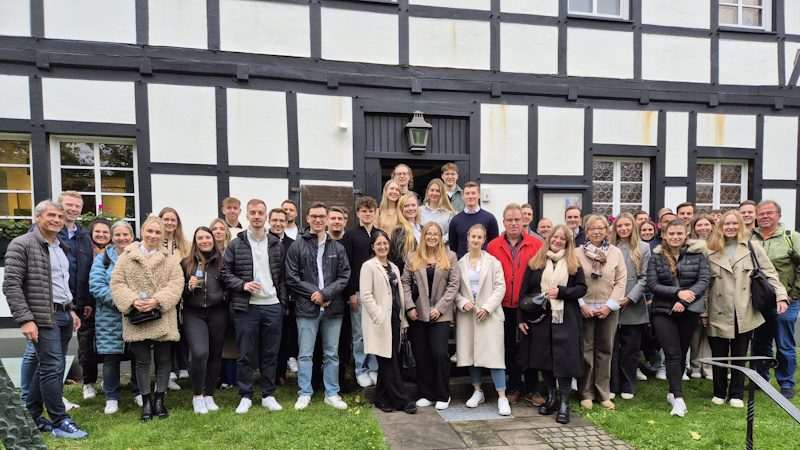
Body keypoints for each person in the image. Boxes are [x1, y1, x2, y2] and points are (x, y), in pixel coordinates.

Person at [3, 200, 88, 438]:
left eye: (60, 217)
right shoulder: (21, 244)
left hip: (63, 313)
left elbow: (60, 285)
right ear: (37, 217)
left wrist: (71, 309)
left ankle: (32, 416)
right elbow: (11, 285)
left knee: (48, 367)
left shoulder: (60, 246)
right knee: (53, 367)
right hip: (41, 316)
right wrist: (25, 320)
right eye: (51, 215)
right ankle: (60, 420)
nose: (57, 220)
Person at [705, 210, 788, 407]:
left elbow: (770, 274)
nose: (731, 227)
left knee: (740, 354)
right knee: (719, 354)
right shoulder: (709, 250)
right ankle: (719, 392)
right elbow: (704, 284)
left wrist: (781, 296)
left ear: (740, 225)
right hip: (717, 309)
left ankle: (736, 394)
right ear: (721, 226)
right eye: (727, 224)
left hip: (743, 309)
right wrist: (703, 311)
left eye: (734, 223)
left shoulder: (753, 247)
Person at [110, 215, 184, 421]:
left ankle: (160, 399)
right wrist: (133, 300)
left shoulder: (169, 259)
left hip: (162, 315)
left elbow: (176, 284)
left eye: (158, 232)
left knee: (163, 360)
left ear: (163, 235)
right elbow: (117, 283)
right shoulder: (126, 256)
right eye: (150, 231)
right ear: (142, 232)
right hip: (137, 316)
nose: (153, 235)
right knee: (142, 361)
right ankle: (146, 402)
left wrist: (157, 300)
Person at [222, 199, 288, 413]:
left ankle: (268, 395)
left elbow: (283, 277)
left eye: (260, 212)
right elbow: (225, 273)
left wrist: (282, 304)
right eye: (253, 212)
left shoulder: (276, 243)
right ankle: (246, 396)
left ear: (266, 216)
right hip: (246, 306)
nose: (257, 216)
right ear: (247, 215)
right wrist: (242, 285)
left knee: (270, 354)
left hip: (272, 305)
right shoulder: (236, 243)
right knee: (245, 354)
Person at [518, 225, 588, 425]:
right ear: (548, 239)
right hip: (540, 319)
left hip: (565, 318)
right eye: (554, 237)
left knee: (564, 361)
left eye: (562, 238)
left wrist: (562, 292)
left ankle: (564, 402)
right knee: (545, 360)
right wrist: (521, 319)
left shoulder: (574, 263)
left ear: (568, 242)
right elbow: (523, 293)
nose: (557, 241)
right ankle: (551, 398)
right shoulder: (536, 262)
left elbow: (582, 289)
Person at [285, 202, 351, 410]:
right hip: (306, 307)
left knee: (332, 353)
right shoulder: (297, 246)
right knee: (305, 354)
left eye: (322, 216)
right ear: (308, 219)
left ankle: (332, 393)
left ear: (327, 219)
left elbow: (344, 276)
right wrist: (315, 294)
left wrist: (325, 294)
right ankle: (304, 393)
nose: (318, 220)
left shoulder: (337, 247)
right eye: (314, 216)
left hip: (333, 308)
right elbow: (291, 277)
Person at [647, 219, 710, 417]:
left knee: (682, 352)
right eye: (671, 234)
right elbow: (652, 284)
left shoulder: (697, 255)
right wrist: (677, 293)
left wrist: (684, 300)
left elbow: (703, 280)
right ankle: (679, 398)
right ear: (665, 235)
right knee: (672, 353)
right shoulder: (656, 257)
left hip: (689, 310)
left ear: (686, 235)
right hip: (663, 310)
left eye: (679, 233)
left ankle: (673, 390)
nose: (675, 237)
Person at [486, 204, 543, 405]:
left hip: (528, 306)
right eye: (509, 220)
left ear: (523, 221)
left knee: (530, 347)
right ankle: (514, 387)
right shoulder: (493, 246)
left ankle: (532, 388)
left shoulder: (536, 244)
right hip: (503, 306)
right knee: (509, 348)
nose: (513, 223)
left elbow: (540, 276)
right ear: (503, 222)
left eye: (517, 220)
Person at [402, 222, 460, 410]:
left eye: (436, 234)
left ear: (440, 237)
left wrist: (440, 308)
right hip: (418, 313)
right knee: (422, 354)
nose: (432, 237)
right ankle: (426, 393)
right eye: (429, 234)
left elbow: (454, 285)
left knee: (440, 353)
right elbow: (405, 283)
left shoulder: (450, 256)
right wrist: (409, 307)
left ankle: (443, 394)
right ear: (423, 236)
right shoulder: (412, 257)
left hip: (441, 314)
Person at [359, 230, 417, 414]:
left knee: (391, 360)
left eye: (385, 243)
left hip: (395, 319)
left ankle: (381, 398)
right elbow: (366, 295)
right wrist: (379, 315)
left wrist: (403, 320)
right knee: (388, 360)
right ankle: (402, 400)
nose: (382, 247)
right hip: (379, 321)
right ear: (372, 247)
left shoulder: (393, 267)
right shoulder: (368, 266)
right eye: (379, 244)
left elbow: (399, 296)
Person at [455, 225, 510, 416]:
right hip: (468, 316)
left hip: (490, 315)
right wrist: (462, 302)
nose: (476, 240)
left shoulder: (493, 262)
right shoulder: (459, 263)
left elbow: (500, 287)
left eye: (480, 237)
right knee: (471, 355)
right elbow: (454, 289)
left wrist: (487, 307)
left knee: (495, 356)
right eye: (473, 236)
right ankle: (477, 391)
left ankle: (502, 397)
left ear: (484, 240)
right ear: (468, 238)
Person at [89, 220, 141, 415]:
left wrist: (137, 302)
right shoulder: (102, 259)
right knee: (111, 358)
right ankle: (111, 397)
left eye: (125, 234)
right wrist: (124, 301)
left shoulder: (139, 256)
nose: (121, 238)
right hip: (109, 317)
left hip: (136, 314)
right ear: (112, 237)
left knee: (138, 355)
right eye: (117, 235)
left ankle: (139, 392)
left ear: (132, 236)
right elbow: (97, 286)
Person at [576, 215, 627, 410]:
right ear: (586, 232)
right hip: (585, 308)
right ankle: (586, 393)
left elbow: (621, 280)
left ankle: (603, 393)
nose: (596, 231)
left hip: (608, 308)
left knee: (605, 350)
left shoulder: (615, 252)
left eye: (600, 228)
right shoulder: (577, 253)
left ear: (607, 231)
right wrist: (582, 305)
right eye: (592, 228)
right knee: (586, 351)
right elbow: (571, 280)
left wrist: (609, 306)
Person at [750, 199, 800, 399]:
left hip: (785, 300)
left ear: (779, 215)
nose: (764, 216)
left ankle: (786, 382)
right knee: (760, 342)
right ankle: (760, 379)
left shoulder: (791, 237)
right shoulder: (749, 237)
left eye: (769, 213)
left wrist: (793, 294)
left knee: (784, 343)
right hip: (759, 301)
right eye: (761, 213)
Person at [182, 227, 229, 414]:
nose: (204, 241)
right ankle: (197, 396)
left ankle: (209, 394)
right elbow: (178, 292)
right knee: (200, 353)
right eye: (200, 238)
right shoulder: (186, 263)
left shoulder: (223, 262)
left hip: (218, 312)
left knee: (215, 355)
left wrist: (222, 296)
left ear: (213, 240)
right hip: (194, 314)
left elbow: (229, 285)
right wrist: (188, 288)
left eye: (207, 237)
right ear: (195, 242)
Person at [609, 213, 651, 400]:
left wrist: (629, 298)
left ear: (633, 226)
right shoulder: (609, 247)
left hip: (633, 305)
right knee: (611, 347)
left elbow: (645, 278)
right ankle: (612, 384)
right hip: (611, 303)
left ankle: (628, 384)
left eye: (627, 225)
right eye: (619, 226)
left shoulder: (643, 247)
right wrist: (613, 300)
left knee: (630, 349)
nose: (623, 229)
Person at [341, 196, 382, 388]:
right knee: (359, 333)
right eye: (364, 211)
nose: (367, 214)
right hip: (358, 292)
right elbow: (346, 266)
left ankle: (374, 367)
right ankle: (360, 369)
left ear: (375, 213)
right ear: (357, 213)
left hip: (377, 292)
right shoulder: (350, 236)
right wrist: (350, 292)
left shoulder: (380, 235)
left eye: (370, 211)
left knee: (375, 331)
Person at [79, 218, 111, 398]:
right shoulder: (84, 251)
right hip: (88, 305)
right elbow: (81, 278)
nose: (101, 235)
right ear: (91, 233)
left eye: (105, 232)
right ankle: (88, 382)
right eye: (98, 231)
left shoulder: (114, 251)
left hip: (108, 306)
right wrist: (84, 302)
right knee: (87, 345)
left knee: (109, 344)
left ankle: (108, 378)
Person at [159, 207, 190, 387]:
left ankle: (182, 366)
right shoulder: (155, 242)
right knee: (166, 331)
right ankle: (169, 370)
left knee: (181, 328)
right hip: (162, 293)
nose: (170, 223)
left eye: (173, 220)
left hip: (182, 293)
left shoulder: (185, 245)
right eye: (166, 219)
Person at [269, 208, 298, 383]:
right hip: (269, 296)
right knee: (269, 339)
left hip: (289, 297)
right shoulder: (263, 241)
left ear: (287, 222)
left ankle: (280, 374)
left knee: (285, 337)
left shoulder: (293, 244)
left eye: (282, 220)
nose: (278, 224)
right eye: (275, 220)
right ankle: (269, 374)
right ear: (269, 221)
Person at [688, 214, 714, 380]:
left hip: (715, 292)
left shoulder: (718, 244)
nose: (703, 228)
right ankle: (696, 365)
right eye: (699, 225)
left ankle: (709, 366)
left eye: (706, 224)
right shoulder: (691, 246)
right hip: (697, 292)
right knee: (695, 334)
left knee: (710, 334)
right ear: (694, 228)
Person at [448, 181, 499, 259]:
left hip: (484, 264)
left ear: (479, 195)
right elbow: (453, 248)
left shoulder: (490, 219)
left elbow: (495, 245)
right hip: (462, 264)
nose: (470, 196)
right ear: (462, 196)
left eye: (473, 193)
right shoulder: (455, 221)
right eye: (467, 193)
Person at [391, 193, 422, 272]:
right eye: (406, 206)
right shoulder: (399, 231)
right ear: (401, 209)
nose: (411, 208)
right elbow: (400, 260)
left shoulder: (423, 228)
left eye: (413, 205)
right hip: (409, 274)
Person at [420, 178, 456, 243]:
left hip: (442, 247)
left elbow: (451, 232)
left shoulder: (449, 213)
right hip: (423, 247)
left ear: (442, 193)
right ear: (427, 191)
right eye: (432, 190)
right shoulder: (419, 211)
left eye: (438, 191)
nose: (434, 193)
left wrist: (438, 241)